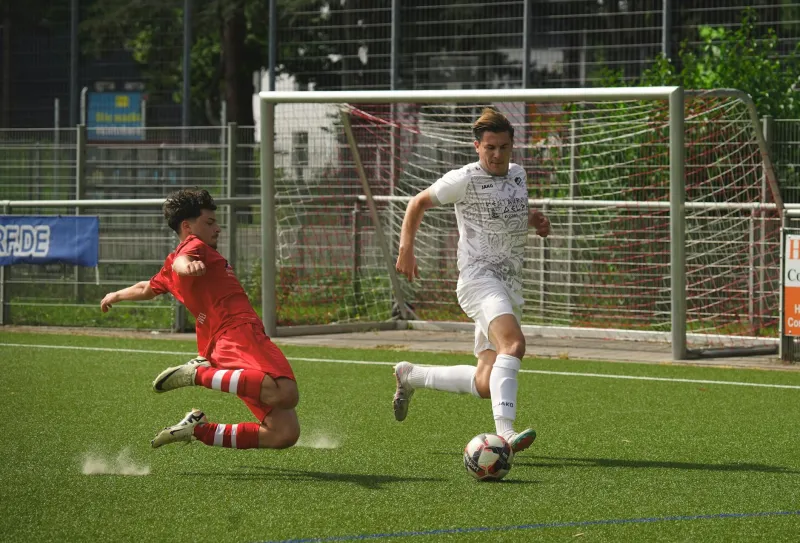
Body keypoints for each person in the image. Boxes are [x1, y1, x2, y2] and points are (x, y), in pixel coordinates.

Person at [393, 108, 551, 454]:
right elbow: (417, 202)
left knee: (485, 382)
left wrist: (533, 220)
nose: (497, 155)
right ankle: (505, 435)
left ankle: (411, 375)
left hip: (509, 284)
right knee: (513, 345)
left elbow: (505, 217)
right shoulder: (464, 178)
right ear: (477, 146)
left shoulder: (518, 175)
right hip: (479, 280)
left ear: (512, 147)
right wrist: (406, 249)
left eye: (504, 147)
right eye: (490, 147)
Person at [100, 188, 300, 450]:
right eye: (210, 222)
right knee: (285, 393)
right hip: (236, 334)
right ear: (187, 226)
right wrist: (187, 266)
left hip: (230, 340)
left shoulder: (178, 260)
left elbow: (145, 288)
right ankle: (197, 375)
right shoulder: (193, 248)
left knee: (284, 433)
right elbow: (182, 262)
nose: (217, 228)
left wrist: (116, 294)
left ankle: (198, 429)